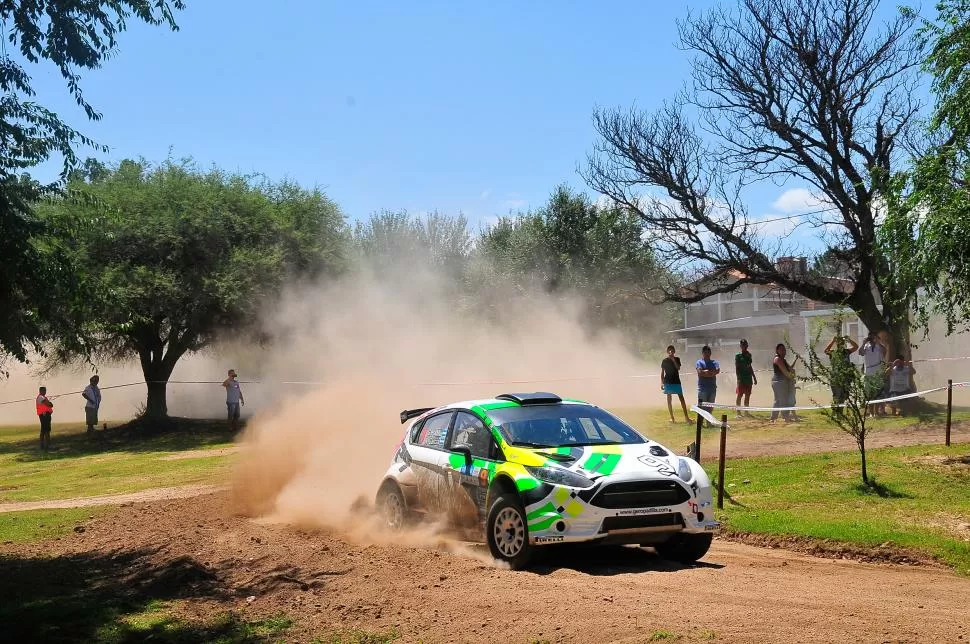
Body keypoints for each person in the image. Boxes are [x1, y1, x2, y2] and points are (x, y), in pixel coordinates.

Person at [824, 333, 858, 406]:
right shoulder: (833, 353)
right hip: (836, 377)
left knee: (844, 396)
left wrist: (848, 340)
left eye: (842, 344)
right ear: (837, 345)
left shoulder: (846, 352)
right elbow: (826, 351)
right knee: (837, 396)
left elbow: (856, 347)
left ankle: (840, 410)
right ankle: (837, 410)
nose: (841, 345)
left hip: (845, 377)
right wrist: (832, 341)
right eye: (839, 344)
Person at [859, 332, 888, 416]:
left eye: (873, 337)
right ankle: (871, 413)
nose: (871, 339)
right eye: (870, 337)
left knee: (877, 393)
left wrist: (878, 342)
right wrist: (864, 342)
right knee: (869, 394)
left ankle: (876, 412)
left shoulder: (879, 346)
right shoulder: (866, 346)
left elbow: (885, 351)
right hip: (868, 372)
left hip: (877, 372)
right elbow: (860, 353)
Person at [660, 345, 691, 423]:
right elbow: (662, 373)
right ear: (667, 352)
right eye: (669, 350)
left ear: (674, 351)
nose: (671, 351)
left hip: (676, 381)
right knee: (669, 399)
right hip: (668, 382)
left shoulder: (677, 359)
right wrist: (662, 383)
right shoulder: (664, 361)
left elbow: (678, 368)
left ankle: (687, 418)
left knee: (681, 398)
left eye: (672, 350)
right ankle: (672, 418)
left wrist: (673, 360)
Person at [769, 343, 797, 423]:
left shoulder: (783, 360)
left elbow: (790, 368)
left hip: (782, 382)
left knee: (778, 400)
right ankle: (785, 417)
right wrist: (792, 378)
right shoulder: (777, 359)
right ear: (777, 350)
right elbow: (785, 372)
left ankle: (774, 418)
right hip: (779, 382)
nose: (783, 351)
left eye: (784, 349)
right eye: (781, 349)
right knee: (782, 400)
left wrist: (795, 360)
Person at [695, 346, 720, 424]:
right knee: (701, 407)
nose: (707, 354)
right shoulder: (699, 362)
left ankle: (708, 422)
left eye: (708, 352)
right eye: (705, 352)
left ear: (710, 353)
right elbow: (700, 372)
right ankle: (700, 423)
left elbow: (717, 371)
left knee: (710, 407)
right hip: (702, 388)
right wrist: (710, 373)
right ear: (702, 353)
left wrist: (706, 372)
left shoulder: (715, 362)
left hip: (712, 388)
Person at [734, 339, 758, 418]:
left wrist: (754, 377)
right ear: (740, 346)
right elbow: (737, 368)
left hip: (748, 378)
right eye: (743, 345)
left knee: (747, 395)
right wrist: (738, 378)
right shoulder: (738, 356)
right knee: (739, 395)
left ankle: (746, 412)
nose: (745, 346)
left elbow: (749, 366)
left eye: (746, 344)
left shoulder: (749, 355)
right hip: (741, 378)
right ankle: (738, 413)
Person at [36, 386, 54, 451]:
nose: (45, 392)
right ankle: (47, 445)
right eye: (44, 390)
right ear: (40, 391)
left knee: (44, 430)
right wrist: (50, 403)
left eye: (45, 390)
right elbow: (49, 404)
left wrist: (49, 403)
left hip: (45, 415)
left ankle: (43, 445)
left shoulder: (43, 397)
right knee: (46, 430)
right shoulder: (40, 397)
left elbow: (48, 404)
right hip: (44, 415)